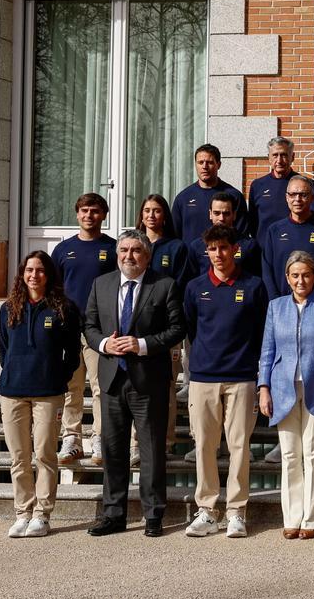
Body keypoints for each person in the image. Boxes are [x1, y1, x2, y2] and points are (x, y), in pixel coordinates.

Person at [84, 230, 186, 538]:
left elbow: (177, 328)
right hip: (112, 378)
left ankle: (154, 514)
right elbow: (89, 325)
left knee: (152, 450)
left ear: (148, 255)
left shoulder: (164, 285)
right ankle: (114, 514)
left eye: (136, 251)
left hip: (148, 380)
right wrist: (103, 345)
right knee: (113, 449)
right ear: (117, 255)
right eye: (124, 250)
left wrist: (141, 344)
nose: (129, 256)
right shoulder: (101, 285)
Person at [182, 224, 268, 539]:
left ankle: (236, 511)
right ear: (207, 252)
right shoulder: (194, 288)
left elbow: (261, 331)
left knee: (239, 446)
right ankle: (206, 510)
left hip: (242, 377)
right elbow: (192, 329)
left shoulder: (254, 286)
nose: (218, 254)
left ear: (235, 249)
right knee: (204, 445)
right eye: (213, 249)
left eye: (223, 248)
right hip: (204, 377)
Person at [258, 251, 314, 540]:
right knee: (291, 454)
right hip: (283, 388)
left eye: (306, 275)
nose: (300, 280)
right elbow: (267, 352)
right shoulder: (275, 307)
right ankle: (292, 516)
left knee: (312, 453)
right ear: (287, 278)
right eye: (295, 275)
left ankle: (312, 518)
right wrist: (263, 388)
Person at [0, 252, 81, 538]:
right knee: (18, 457)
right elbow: (4, 350)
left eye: (40, 270)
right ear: (22, 274)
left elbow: (73, 353)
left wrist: (59, 376)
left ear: (49, 275)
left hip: (48, 393)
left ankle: (42, 515)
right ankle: (22, 512)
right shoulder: (9, 308)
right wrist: (12, 371)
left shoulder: (64, 309)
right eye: (29, 270)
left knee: (45, 454)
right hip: (13, 392)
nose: (34, 275)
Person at [52, 193, 116, 467]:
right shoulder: (63, 250)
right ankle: (72, 438)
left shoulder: (113, 248)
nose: (89, 215)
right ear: (77, 214)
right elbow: (52, 289)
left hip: (99, 329)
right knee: (71, 386)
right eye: (84, 211)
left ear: (104, 215)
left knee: (100, 386)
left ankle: (99, 436)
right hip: (67, 327)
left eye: (95, 211)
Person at [137, 193, 190, 456]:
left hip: (167, 328)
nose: (151, 215)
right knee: (136, 385)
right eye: (147, 210)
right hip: (136, 326)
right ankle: (138, 444)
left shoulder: (176, 247)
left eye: (157, 211)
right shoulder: (132, 245)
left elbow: (179, 287)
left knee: (166, 385)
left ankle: (166, 442)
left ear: (165, 215)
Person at [260, 175, 314, 299]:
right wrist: (276, 301)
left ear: (312, 198)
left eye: (303, 195)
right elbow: (267, 270)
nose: (297, 199)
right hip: (282, 304)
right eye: (292, 194)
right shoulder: (274, 230)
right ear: (287, 197)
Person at [171, 143, 248, 244]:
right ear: (195, 164)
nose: (204, 167)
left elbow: (241, 236)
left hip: (222, 257)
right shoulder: (183, 198)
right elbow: (174, 237)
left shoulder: (234, 196)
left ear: (218, 165)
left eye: (210, 162)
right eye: (200, 162)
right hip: (191, 259)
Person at [187, 192, 261, 278]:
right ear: (210, 214)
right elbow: (191, 282)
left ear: (234, 215)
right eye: (217, 213)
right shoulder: (197, 246)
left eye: (226, 213)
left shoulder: (249, 245)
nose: (221, 218)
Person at [247, 135, 298, 237]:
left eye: (284, 155)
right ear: (269, 158)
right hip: (263, 249)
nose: (279, 160)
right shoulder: (257, 185)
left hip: (295, 247)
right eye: (275, 155)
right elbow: (252, 222)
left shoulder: (304, 184)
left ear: (292, 157)